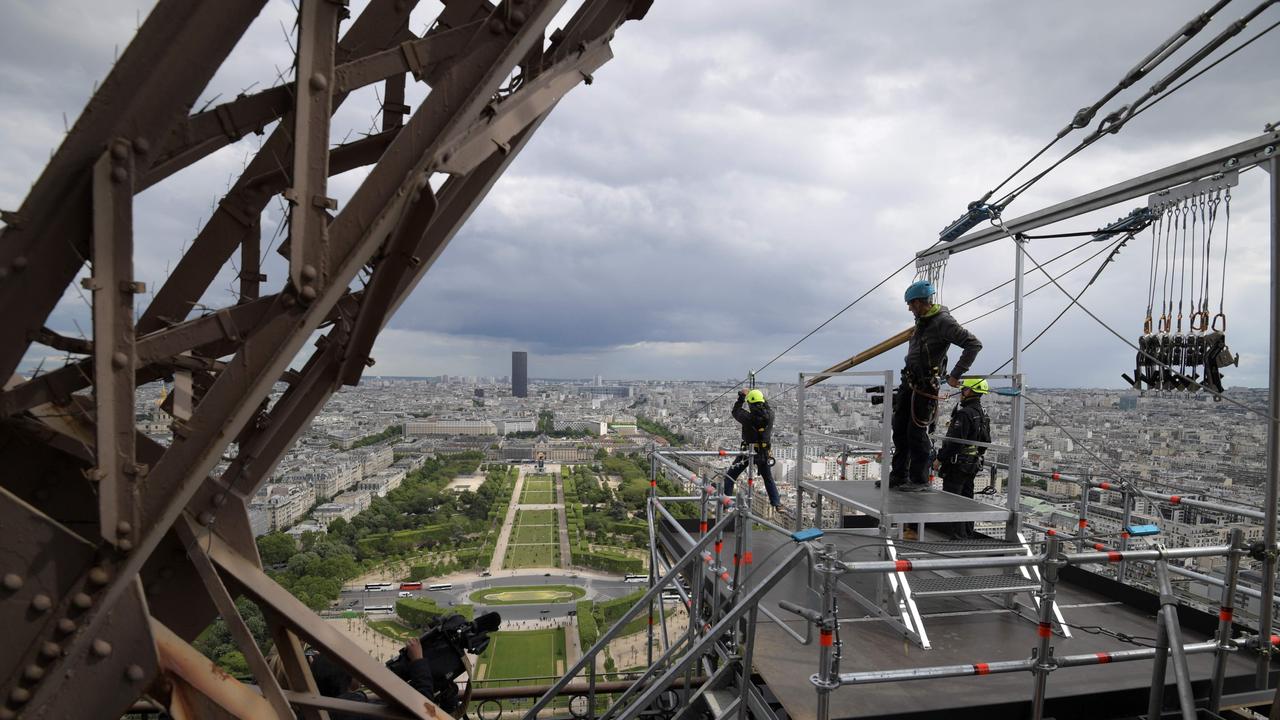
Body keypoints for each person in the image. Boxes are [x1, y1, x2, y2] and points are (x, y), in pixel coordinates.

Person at [889, 280, 983, 492]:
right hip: (910, 382)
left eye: (911, 304)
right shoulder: (923, 320)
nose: (909, 308)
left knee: (916, 432)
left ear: (920, 302)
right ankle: (898, 475)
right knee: (900, 428)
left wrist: (956, 374)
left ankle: (919, 480)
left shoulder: (942, 321)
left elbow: (973, 344)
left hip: (925, 387)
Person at [935, 378, 992, 539]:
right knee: (967, 499)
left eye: (964, 389)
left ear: (969, 391)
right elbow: (985, 442)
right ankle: (966, 534)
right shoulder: (983, 414)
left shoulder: (964, 414)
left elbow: (954, 442)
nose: (961, 393)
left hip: (957, 464)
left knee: (953, 501)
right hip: (972, 464)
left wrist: (939, 459)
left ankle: (957, 537)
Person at [724, 388, 781, 511]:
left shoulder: (747, 417)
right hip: (763, 453)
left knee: (731, 475)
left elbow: (735, 411)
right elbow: (767, 406)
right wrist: (758, 396)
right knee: (768, 478)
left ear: (750, 404)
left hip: (747, 452)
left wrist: (742, 396)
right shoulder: (771, 415)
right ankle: (776, 502)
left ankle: (726, 501)